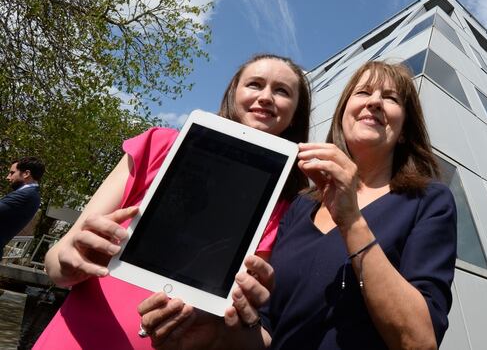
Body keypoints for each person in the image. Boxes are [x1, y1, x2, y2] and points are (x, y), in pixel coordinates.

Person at [35, 54, 311, 350]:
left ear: (295, 114)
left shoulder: (287, 210)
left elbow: (248, 324)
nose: (266, 97)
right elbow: (57, 261)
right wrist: (69, 265)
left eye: (282, 91)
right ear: (233, 94)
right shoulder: (158, 146)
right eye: (255, 84)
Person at [262, 61, 457, 349]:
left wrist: (351, 220)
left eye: (390, 98)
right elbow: (267, 326)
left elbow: (419, 341)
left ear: (404, 129)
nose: (375, 102)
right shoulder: (302, 204)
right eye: (363, 92)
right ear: (343, 114)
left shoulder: (428, 201)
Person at [1, 157, 45, 252]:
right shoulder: (29, 194)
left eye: (12, 173)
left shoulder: (26, 195)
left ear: (26, 174)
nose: (8, 177)